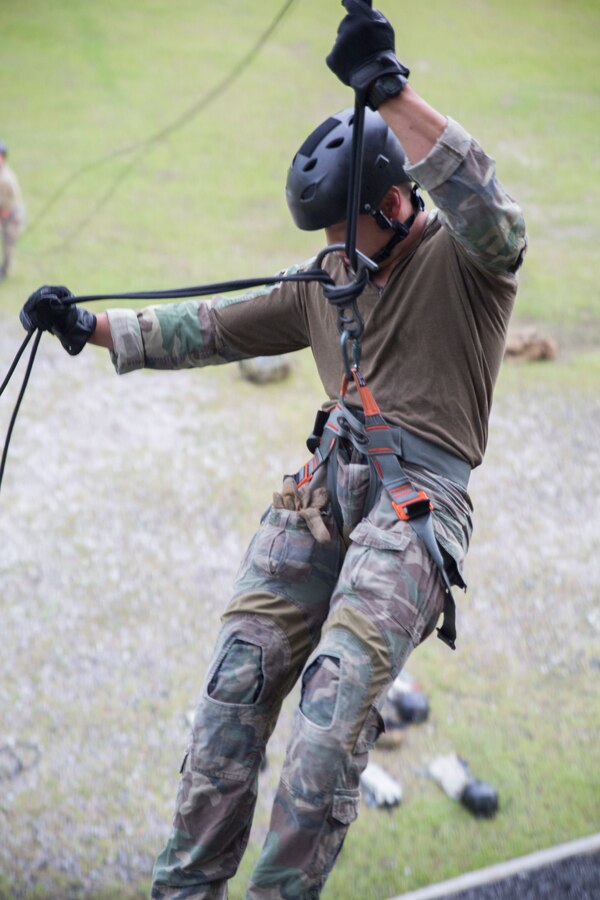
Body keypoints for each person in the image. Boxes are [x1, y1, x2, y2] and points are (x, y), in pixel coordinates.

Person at [19, 1, 527, 897]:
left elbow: (489, 201)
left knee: (329, 720)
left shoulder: (468, 264)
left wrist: (389, 89)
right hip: (325, 491)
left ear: (399, 202)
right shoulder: (325, 281)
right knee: (232, 692)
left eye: (346, 230)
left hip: (415, 510)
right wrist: (83, 325)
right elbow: (209, 326)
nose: (333, 251)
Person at [0, 139, 26, 281]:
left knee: (8, 245)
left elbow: (12, 200)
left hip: (11, 217)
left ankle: (5, 270)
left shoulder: (7, 178)